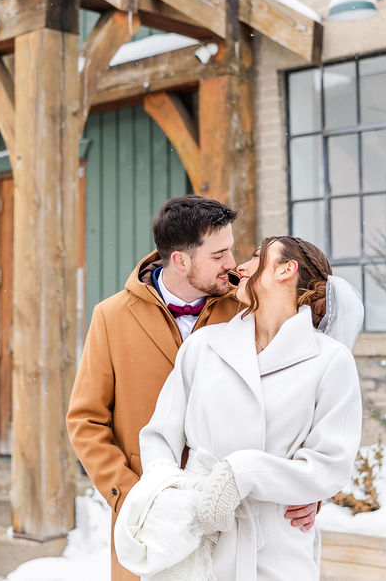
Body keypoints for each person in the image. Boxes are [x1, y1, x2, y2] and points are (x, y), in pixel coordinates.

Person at [66, 197, 319, 581]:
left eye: (231, 249)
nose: (232, 264)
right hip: (149, 519)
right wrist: (132, 495)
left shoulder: (248, 310)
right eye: (219, 254)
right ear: (181, 261)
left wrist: (308, 488)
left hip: (235, 519)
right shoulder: (110, 317)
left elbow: (297, 399)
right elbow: (86, 420)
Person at [114, 236, 364, 581]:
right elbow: (160, 435)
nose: (239, 267)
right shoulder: (204, 346)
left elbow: (329, 465)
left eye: (257, 257)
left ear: (286, 270)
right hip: (194, 541)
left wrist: (244, 473)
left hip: (275, 547)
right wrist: (170, 495)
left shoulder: (330, 362)